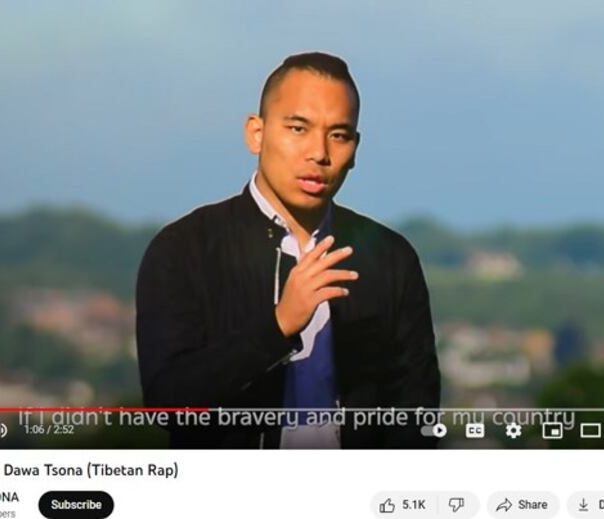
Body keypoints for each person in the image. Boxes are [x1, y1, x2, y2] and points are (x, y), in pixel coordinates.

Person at [136, 51, 440, 448]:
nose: (319, 153)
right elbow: (167, 403)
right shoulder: (185, 248)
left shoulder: (389, 259)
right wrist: (278, 326)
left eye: (339, 135)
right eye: (298, 129)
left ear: (355, 148)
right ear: (256, 134)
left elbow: (416, 416)